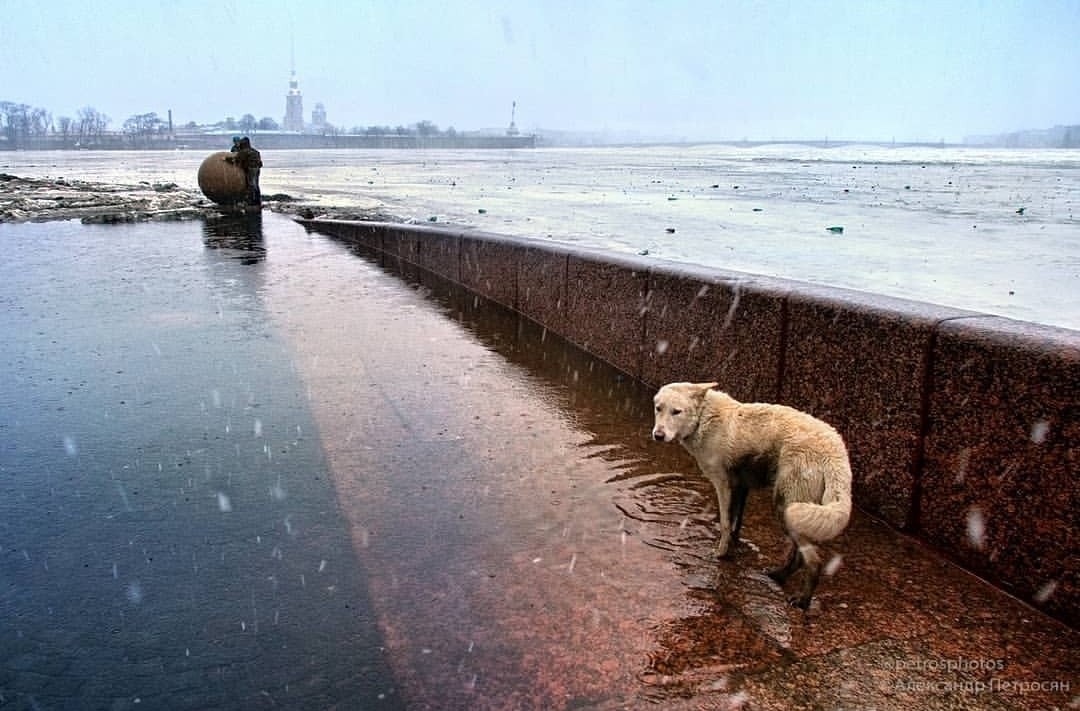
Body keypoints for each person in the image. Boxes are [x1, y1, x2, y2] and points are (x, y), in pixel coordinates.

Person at [225, 136, 262, 207]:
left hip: (251, 169)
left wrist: (226, 159)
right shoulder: (254, 151)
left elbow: (236, 159)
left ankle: (251, 201)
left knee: (251, 184)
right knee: (255, 184)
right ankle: (257, 200)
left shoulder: (244, 151)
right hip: (257, 169)